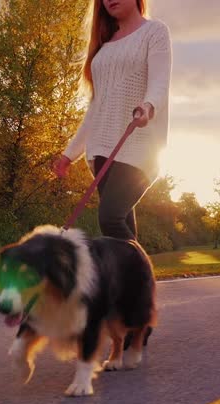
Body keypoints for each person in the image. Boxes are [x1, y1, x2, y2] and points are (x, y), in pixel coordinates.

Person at [53, 0, 172, 241]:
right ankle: (132, 279)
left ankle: (140, 277)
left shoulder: (154, 32)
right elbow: (96, 108)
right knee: (120, 228)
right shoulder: (103, 48)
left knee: (110, 218)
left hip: (139, 145)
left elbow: (160, 82)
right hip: (102, 151)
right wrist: (69, 154)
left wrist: (148, 106)